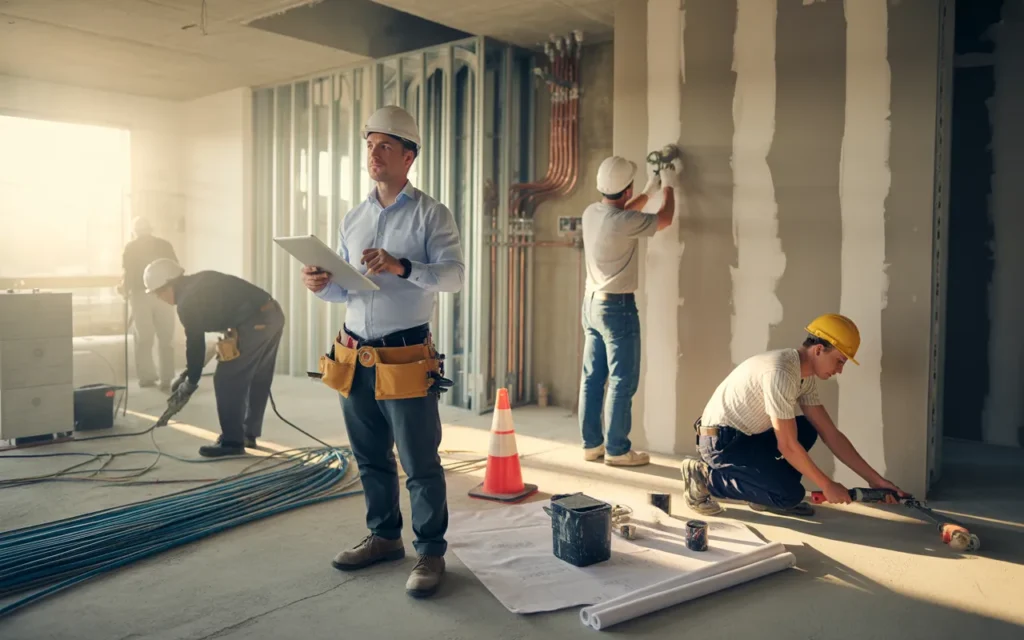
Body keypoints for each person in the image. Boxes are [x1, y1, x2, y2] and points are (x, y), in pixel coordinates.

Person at [301, 105, 464, 599]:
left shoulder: (431, 214)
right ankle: (385, 537)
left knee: (419, 461)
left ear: (409, 156)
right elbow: (347, 292)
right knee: (369, 456)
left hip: (406, 356)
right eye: (370, 144)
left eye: (386, 146)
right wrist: (322, 284)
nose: (374, 153)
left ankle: (430, 551)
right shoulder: (354, 217)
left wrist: (403, 266)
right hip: (354, 354)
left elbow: (454, 276)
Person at [680, 313, 907, 516]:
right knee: (789, 495)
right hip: (721, 443)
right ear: (819, 350)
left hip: (747, 439)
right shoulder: (780, 372)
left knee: (807, 428)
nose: (840, 370)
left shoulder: (803, 376)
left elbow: (830, 434)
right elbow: (786, 445)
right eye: (839, 361)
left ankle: (764, 495)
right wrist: (827, 484)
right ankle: (703, 477)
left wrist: (875, 480)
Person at [577, 155, 677, 467]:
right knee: (622, 379)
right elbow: (664, 219)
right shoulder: (622, 222)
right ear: (626, 188)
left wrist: (648, 189)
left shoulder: (592, 213)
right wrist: (669, 187)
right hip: (617, 309)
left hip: (591, 304)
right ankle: (618, 450)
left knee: (593, 377)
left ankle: (592, 445)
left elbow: (624, 212)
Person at [142, 258, 285, 458]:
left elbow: (195, 345)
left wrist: (191, 381)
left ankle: (232, 441)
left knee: (226, 379)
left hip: (254, 323)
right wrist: (189, 372)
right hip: (272, 315)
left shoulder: (186, 303)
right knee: (257, 376)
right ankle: (247, 433)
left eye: (158, 293)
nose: (160, 298)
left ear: (168, 285)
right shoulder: (201, 280)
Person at [119, 217, 178, 391]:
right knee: (166, 337)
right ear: (150, 229)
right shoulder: (164, 245)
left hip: (141, 294)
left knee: (144, 337)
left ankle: (147, 377)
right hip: (164, 293)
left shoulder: (131, 247)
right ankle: (167, 378)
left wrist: (124, 290)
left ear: (135, 231)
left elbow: (127, 273)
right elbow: (174, 268)